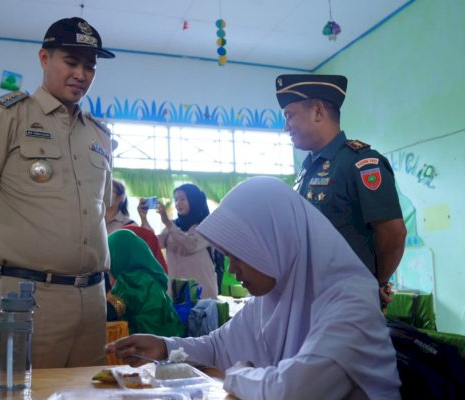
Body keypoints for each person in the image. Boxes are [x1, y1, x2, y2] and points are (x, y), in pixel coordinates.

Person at [108, 177, 401, 400]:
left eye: (239, 256)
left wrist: (239, 375)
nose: (233, 270)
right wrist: (165, 345)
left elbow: (292, 391)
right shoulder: (275, 294)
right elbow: (219, 346)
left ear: (275, 243)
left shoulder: (351, 300)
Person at [0, 16, 115, 368]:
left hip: (92, 297)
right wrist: (7, 253)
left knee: (86, 393)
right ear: (44, 59)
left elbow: (98, 209)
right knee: (27, 392)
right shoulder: (9, 116)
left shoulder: (99, 135)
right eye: (71, 62)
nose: (81, 74)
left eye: (89, 67)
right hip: (29, 294)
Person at [275, 74, 406, 307]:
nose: (286, 126)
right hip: (311, 299)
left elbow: (393, 234)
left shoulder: (360, 163)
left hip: (348, 302)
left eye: (289, 115)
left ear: (317, 111)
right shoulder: (307, 170)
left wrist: (375, 283)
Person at [139, 183, 218, 299]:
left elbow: (191, 246)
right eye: (176, 200)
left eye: (182, 199)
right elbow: (155, 243)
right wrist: (143, 218)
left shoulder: (206, 225)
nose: (178, 204)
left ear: (194, 200)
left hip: (202, 291)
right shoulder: (173, 225)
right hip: (176, 290)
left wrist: (167, 223)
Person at [107, 230, 184, 337]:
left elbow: (113, 311)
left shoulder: (130, 282)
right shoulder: (149, 277)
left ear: (119, 256)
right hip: (169, 341)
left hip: (144, 346)